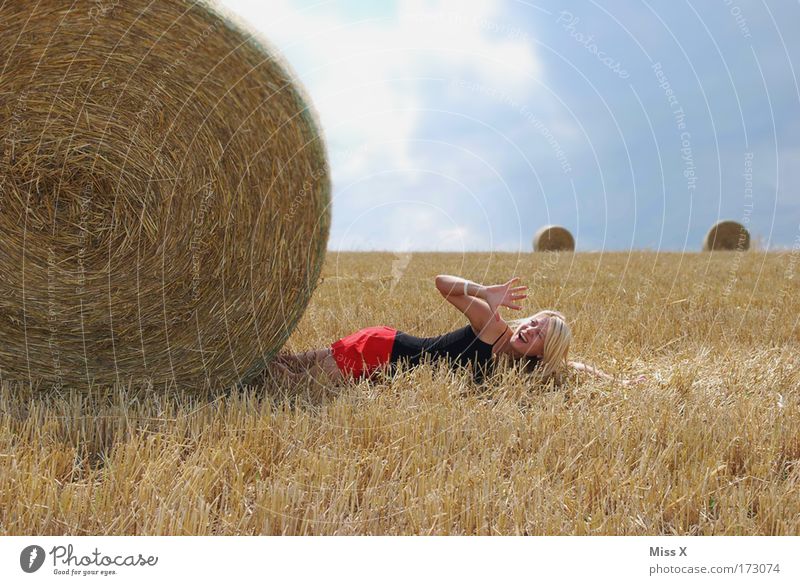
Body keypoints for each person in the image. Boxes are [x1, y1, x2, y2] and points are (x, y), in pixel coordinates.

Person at [269, 275, 646, 387]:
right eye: (534, 322)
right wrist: (483, 292)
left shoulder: (521, 369)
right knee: (290, 381)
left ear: (541, 353)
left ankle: (234, 367)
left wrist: (619, 383)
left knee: (286, 366)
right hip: (381, 350)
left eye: (540, 334)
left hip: (381, 355)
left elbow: (573, 368)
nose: (530, 329)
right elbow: (440, 283)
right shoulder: (493, 327)